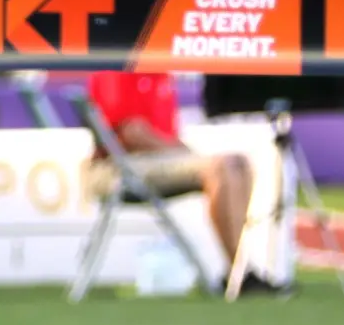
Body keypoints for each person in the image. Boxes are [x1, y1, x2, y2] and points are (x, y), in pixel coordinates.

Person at [85, 72, 279, 294]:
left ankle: (241, 269)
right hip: (119, 167)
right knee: (221, 167)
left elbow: (161, 133)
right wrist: (185, 154)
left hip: (156, 160)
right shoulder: (116, 70)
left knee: (239, 163)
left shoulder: (160, 74)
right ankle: (238, 272)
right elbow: (131, 133)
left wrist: (184, 153)